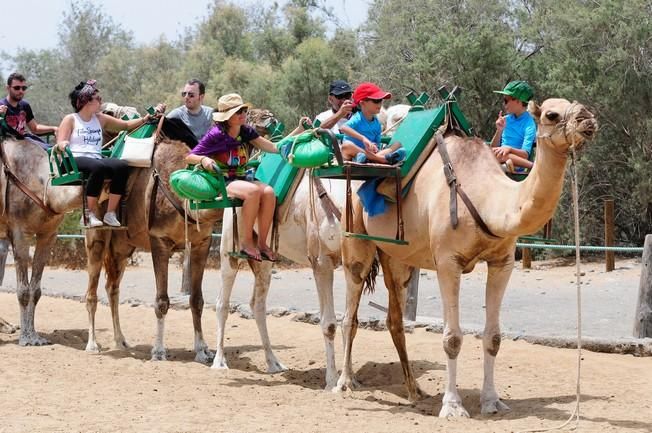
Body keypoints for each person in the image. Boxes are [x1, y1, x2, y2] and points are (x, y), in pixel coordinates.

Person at [186, 93, 308, 262]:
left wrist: (299, 131)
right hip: (225, 181)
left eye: (243, 110)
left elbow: (274, 147)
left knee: (269, 192)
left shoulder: (246, 132)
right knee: (252, 192)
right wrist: (204, 159)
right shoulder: (215, 135)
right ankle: (246, 243)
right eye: (238, 111)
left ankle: (263, 244)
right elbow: (190, 156)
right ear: (227, 117)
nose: (243, 114)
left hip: (243, 178)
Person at [55, 80, 158, 228]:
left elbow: (126, 126)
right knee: (98, 167)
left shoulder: (100, 119)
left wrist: (145, 119)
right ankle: (89, 214)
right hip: (73, 160)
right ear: (86, 101)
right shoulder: (71, 119)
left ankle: (110, 213)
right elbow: (60, 142)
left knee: (121, 166)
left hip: (95, 160)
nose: (101, 102)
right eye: (98, 99)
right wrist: (63, 144)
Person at [339, 82, 405, 164]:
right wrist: (363, 138)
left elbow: (376, 143)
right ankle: (382, 159)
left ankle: (372, 158)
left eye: (381, 100)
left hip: (368, 154)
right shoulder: (358, 118)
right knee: (347, 145)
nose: (380, 104)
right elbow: (343, 128)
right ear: (362, 103)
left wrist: (374, 147)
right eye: (376, 101)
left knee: (398, 144)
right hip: (352, 154)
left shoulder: (377, 123)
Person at [491, 80, 537, 173]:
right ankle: (506, 165)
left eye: (506, 100)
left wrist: (509, 149)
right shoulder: (505, 119)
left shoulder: (529, 124)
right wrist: (499, 130)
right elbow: (493, 147)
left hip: (516, 163)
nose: (504, 104)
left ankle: (533, 167)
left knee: (503, 155)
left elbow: (525, 155)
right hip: (500, 158)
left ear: (518, 101)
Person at [0, 72, 59, 142]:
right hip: (7, 144)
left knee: (48, 150)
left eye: (23, 88)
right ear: (8, 88)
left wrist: (54, 128)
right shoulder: (1, 106)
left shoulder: (24, 105)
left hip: (24, 141)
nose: (21, 91)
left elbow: (35, 128)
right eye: (17, 88)